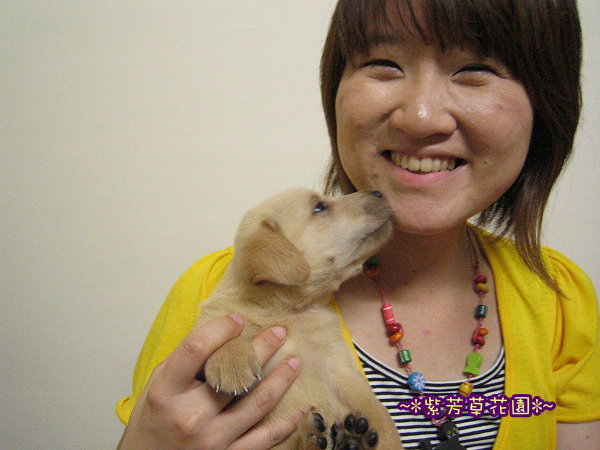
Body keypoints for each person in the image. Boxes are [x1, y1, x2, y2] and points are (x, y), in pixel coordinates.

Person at [117, 0, 600, 448]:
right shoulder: (209, 293)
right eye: (384, 64)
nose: (421, 117)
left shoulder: (560, 299)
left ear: (547, 104)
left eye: (475, 71)